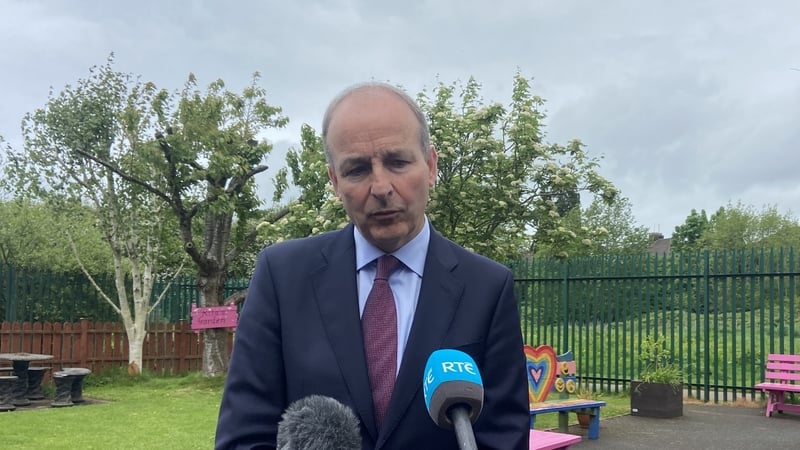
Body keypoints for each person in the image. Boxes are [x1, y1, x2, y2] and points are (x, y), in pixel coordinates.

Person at [215, 82, 530, 449]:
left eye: (398, 162)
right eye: (357, 169)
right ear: (335, 181)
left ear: (430, 166)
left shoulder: (487, 288)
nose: (381, 187)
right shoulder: (282, 277)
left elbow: (503, 439)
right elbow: (244, 437)